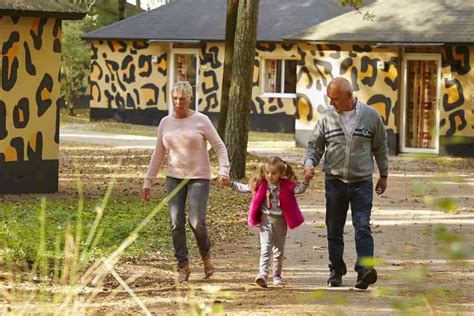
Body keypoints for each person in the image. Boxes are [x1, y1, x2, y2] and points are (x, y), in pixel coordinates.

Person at [304, 77, 388, 290]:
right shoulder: (327, 118)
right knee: (334, 228)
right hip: (335, 182)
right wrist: (309, 163)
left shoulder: (371, 116)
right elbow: (315, 146)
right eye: (330, 99)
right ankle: (336, 270)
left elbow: (380, 147)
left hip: (362, 182)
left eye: (335, 99)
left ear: (349, 96)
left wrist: (384, 174)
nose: (332, 103)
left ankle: (365, 271)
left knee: (362, 226)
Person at [142, 81, 230, 283]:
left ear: (190, 99)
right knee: (176, 222)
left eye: (182, 99)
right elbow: (158, 154)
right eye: (175, 98)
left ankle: (206, 254)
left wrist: (223, 170)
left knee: (196, 222)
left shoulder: (201, 120)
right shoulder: (165, 122)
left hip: (199, 177)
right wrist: (148, 180)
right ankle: (183, 265)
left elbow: (219, 146)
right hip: (174, 177)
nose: (178, 102)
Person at [223, 156, 310, 288]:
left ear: (281, 173)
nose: (270, 176)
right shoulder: (260, 184)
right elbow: (244, 187)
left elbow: (299, 189)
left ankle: (276, 276)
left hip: (280, 223)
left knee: (278, 251)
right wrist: (229, 183)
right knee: (265, 248)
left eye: (274, 173)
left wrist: (306, 181)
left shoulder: (287, 186)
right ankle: (262, 274)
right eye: (267, 172)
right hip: (265, 222)